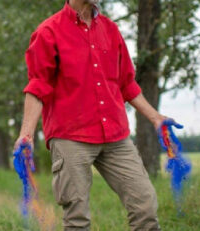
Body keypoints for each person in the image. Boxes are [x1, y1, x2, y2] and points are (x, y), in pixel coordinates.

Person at [14, 0, 168, 230]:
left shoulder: (110, 30)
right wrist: (26, 134)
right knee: (77, 219)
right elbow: (38, 86)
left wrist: (156, 118)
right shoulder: (48, 31)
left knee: (145, 205)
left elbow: (127, 84)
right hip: (70, 136)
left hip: (116, 136)